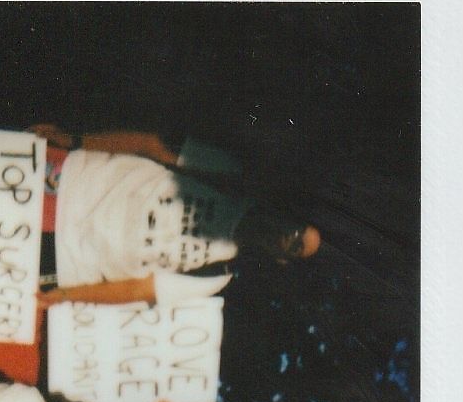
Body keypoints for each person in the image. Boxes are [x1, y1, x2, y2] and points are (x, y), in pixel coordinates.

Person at [29, 123, 321, 309]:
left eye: (296, 245)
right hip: (67, 183)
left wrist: (64, 296)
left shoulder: (215, 276)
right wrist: (73, 139)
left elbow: (138, 289)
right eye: (296, 227)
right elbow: (152, 145)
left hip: (62, 258)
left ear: (283, 260)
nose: (289, 235)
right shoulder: (226, 174)